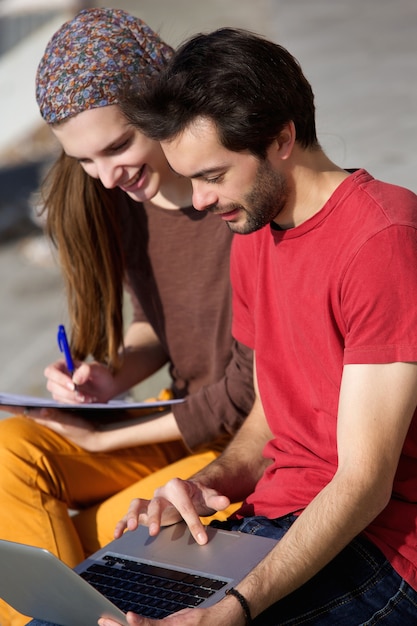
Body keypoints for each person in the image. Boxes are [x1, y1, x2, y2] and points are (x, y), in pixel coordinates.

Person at [95, 27, 417, 625]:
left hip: (382, 551)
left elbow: (366, 483)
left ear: (283, 138)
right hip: (274, 526)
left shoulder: (383, 239)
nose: (197, 200)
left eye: (213, 176)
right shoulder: (252, 234)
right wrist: (206, 482)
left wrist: (235, 608)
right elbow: (271, 416)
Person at [0, 13, 255, 626]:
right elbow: (157, 325)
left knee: (94, 536)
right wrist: (109, 378)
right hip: (171, 418)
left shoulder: (237, 197)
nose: (107, 176)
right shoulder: (128, 202)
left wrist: (105, 437)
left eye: (117, 147)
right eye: (84, 161)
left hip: (243, 443)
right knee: (7, 451)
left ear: (160, 102)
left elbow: (250, 396)